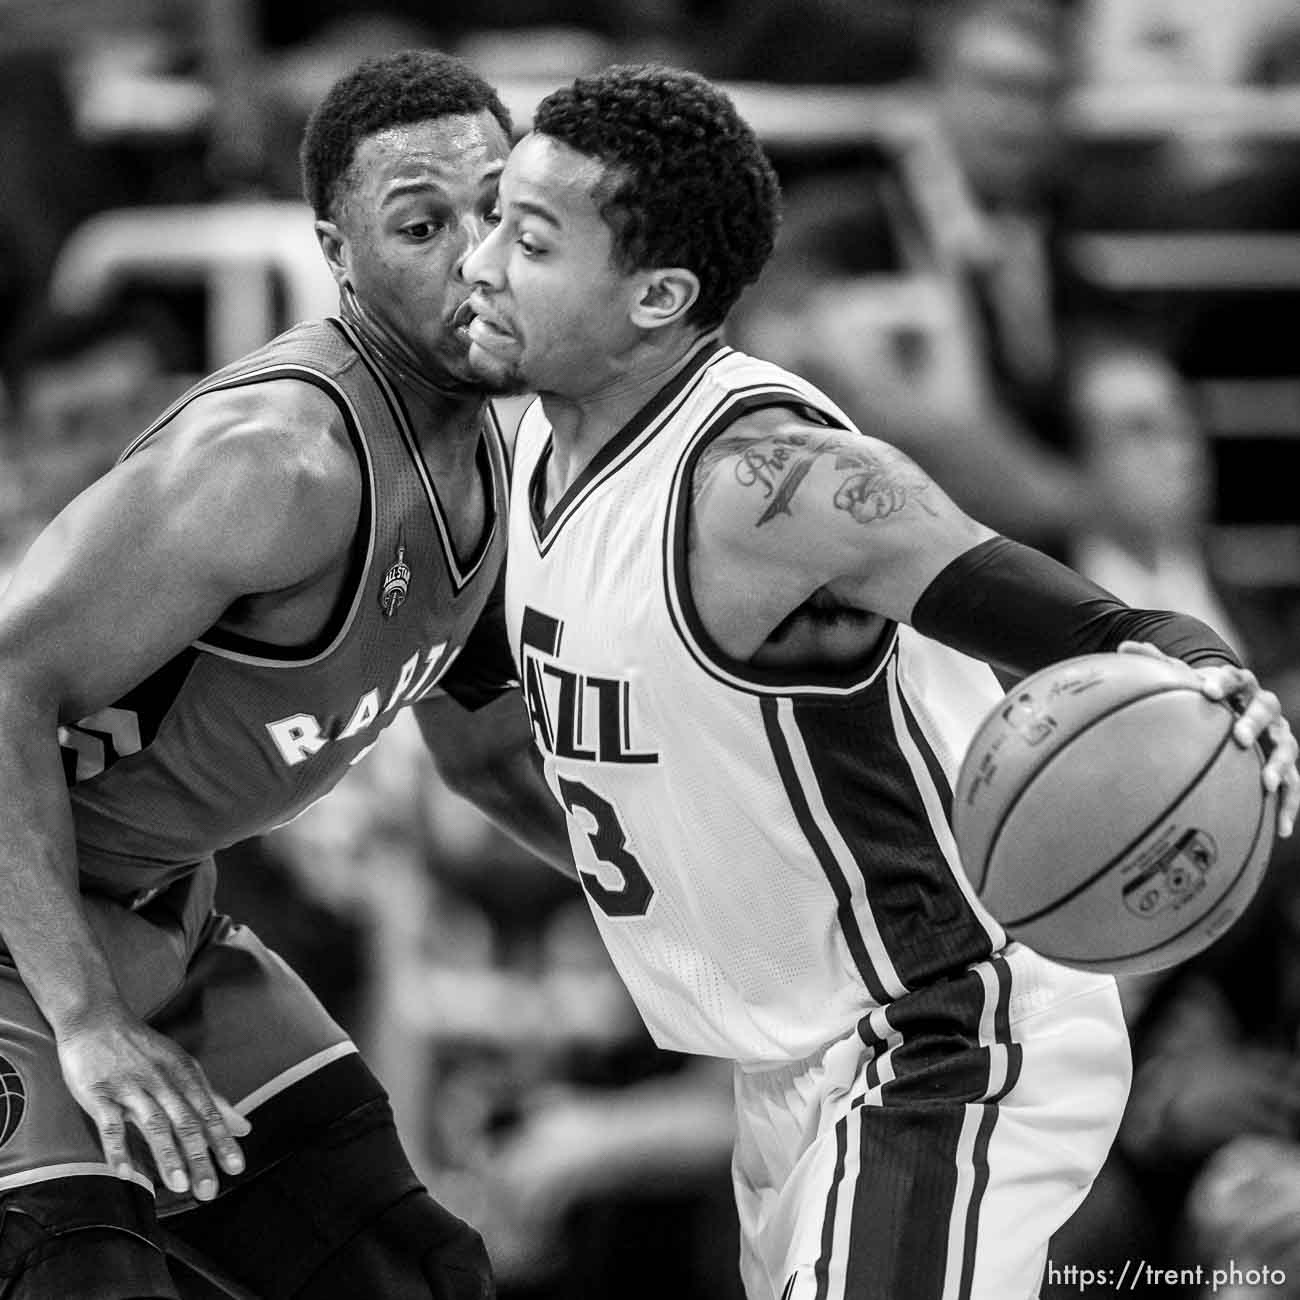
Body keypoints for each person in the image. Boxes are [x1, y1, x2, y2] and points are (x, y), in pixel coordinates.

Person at [423, 64, 1300, 1300]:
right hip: (783, 1067)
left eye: (529, 239)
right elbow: (495, 755)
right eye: (488, 220)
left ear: (657, 295)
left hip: (942, 1032)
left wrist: (1214, 680)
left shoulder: (769, 485)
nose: (478, 263)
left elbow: (1113, 624)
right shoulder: (522, 453)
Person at [0, 48, 568, 1300]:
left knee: (415, 1275)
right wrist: (89, 1022)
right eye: (421, 225)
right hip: (26, 929)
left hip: (158, 911)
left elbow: (483, 742)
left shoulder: (486, 442)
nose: (476, 257)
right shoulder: (277, 465)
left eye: (497, 212)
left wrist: (684, 900)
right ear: (338, 250)